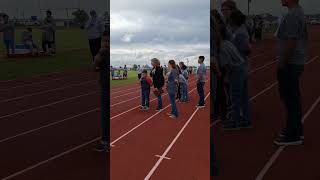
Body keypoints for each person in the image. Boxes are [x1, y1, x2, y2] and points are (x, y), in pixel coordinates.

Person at [274, 0, 307, 146]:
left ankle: (293, 134)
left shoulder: (293, 15)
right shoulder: (297, 12)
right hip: (294, 62)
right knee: (293, 99)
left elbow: (291, 42)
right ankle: (295, 130)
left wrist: (282, 63)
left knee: (290, 100)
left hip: (290, 63)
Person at [223, 9, 251, 130]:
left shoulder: (239, 33)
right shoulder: (238, 31)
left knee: (236, 96)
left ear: (233, 20)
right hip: (241, 65)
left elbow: (247, 49)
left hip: (237, 65)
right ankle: (245, 120)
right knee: (243, 96)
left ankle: (236, 121)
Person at [93, 30, 109, 152]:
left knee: (107, 115)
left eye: (108, 41)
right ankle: (106, 140)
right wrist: (97, 58)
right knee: (105, 115)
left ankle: (106, 141)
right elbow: (95, 68)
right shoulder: (102, 55)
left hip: (109, 89)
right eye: (103, 41)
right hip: (104, 88)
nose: (105, 43)